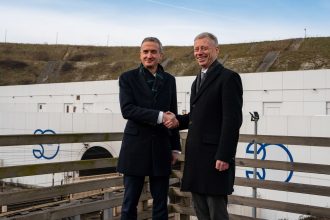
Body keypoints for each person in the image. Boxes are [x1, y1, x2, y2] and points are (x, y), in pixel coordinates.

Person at [165, 32, 243, 220]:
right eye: (196, 49)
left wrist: (224, 155)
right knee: (201, 212)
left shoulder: (228, 78)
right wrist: (177, 121)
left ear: (216, 50)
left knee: (216, 212)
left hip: (215, 157)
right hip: (197, 157)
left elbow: (232, 120)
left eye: (204, 48)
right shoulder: (197, 81)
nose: (199, 52)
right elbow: (197, 116)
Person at [117, 37, 181, 220]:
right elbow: (127, 109)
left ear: (161, 55)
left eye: (153, 52)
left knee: (161, 203)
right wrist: (160, 117)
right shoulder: (127, 78)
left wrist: (175, 147)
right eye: (145, 52)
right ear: (140, 54)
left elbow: (173, 113)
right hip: (135, 147)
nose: (149, 55)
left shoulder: (169, 80)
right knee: (130, 203)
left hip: (161, 146)